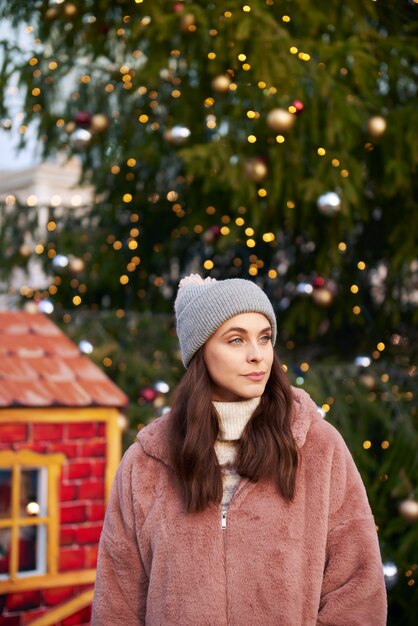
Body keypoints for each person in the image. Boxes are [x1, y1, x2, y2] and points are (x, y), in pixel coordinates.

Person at [91, 274, 387, 625]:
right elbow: (118, 602)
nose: (257, 355)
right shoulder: (147, 462)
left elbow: (358, 589)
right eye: (236, 340)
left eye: (264, 338)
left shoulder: (319, 447)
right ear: (201, 352)